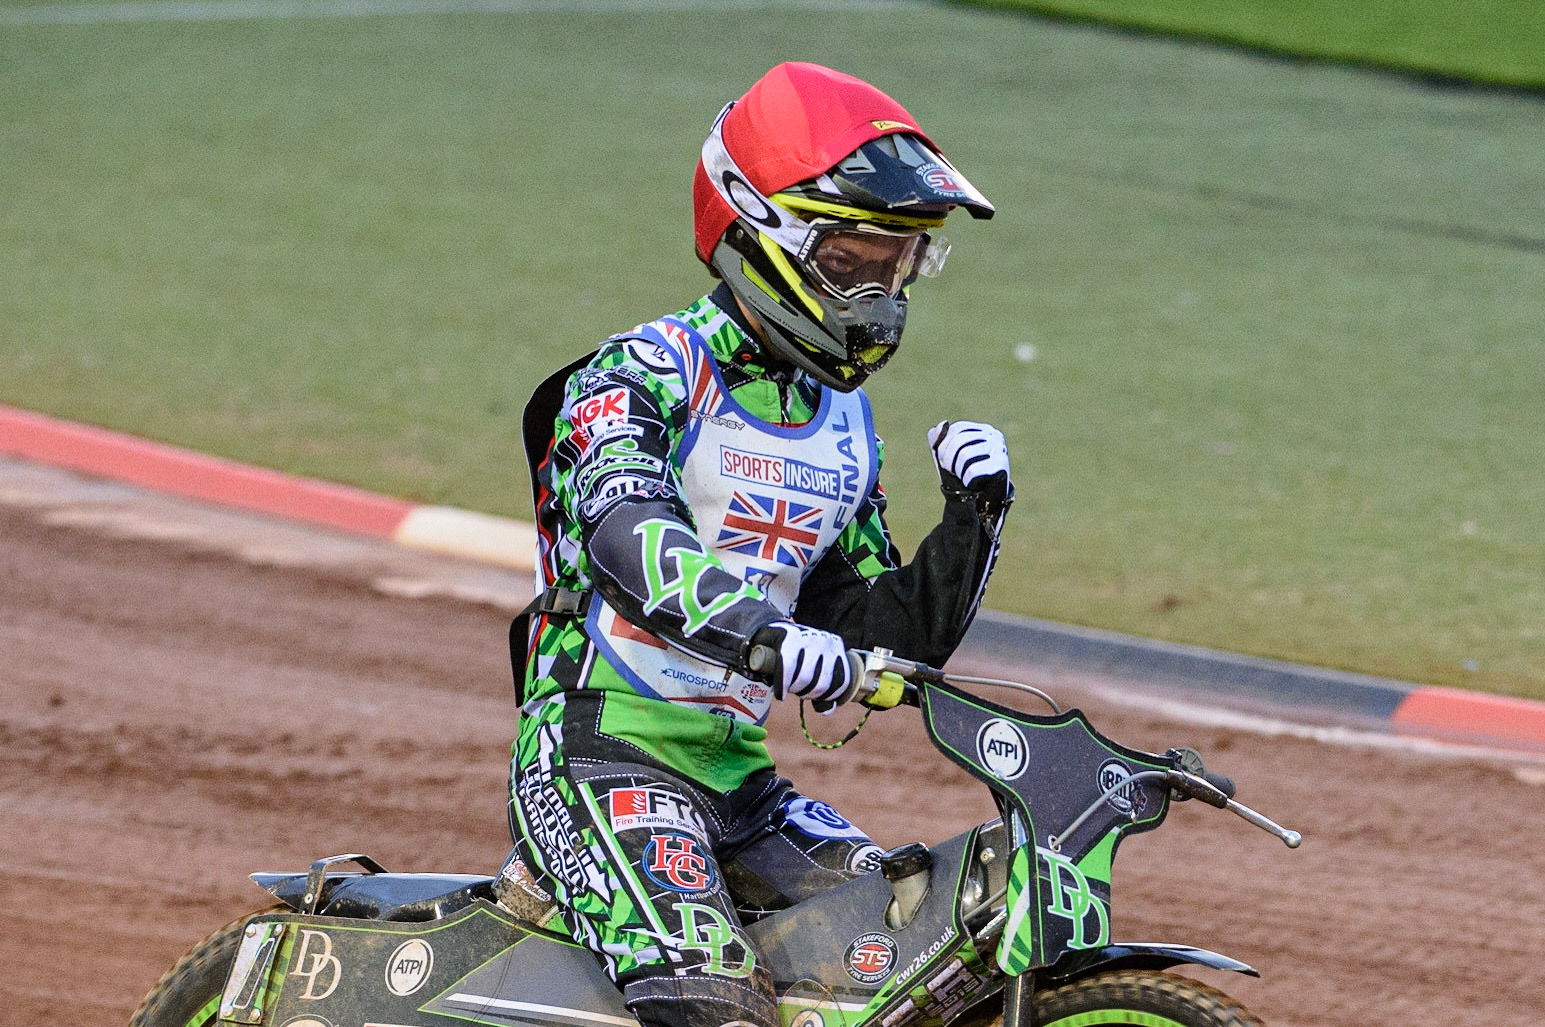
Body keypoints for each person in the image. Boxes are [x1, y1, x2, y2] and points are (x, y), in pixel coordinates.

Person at [508, 61, 1013, 1027]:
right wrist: (767, 638)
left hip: (738, 784)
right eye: (853, 260)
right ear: (759, 229)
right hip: (595, 760)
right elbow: (626, 531)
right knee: (720, 1008)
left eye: (898, 264)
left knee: (917, 954)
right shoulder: (642, 374)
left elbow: (880, 634)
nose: (880, 294)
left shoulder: (843, 423)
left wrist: (973, 521)